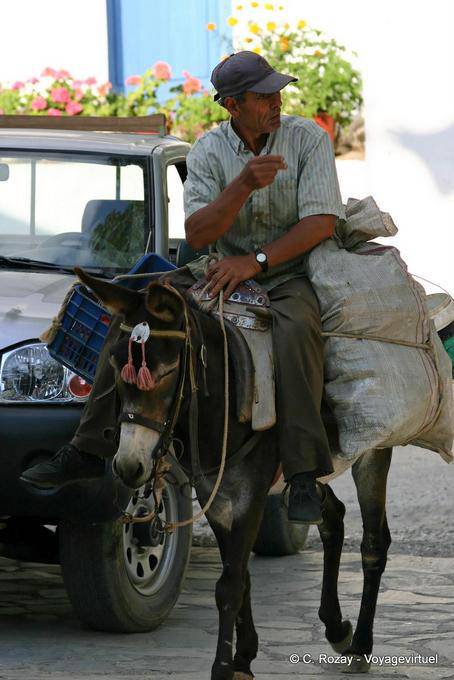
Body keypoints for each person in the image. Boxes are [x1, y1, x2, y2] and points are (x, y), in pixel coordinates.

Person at [21, 51, 345, 525]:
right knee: (134, 317)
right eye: (263, 96)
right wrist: (242, 187)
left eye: (278, 92)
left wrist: (254, 262)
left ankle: (301, 476)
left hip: (285, 274)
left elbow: (321, 222)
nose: (276, 102)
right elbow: (196, 235)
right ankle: (87, 450)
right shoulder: (208, 151)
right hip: (217, 270)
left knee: (297, 334)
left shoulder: (308, 139)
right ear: (233, 106)